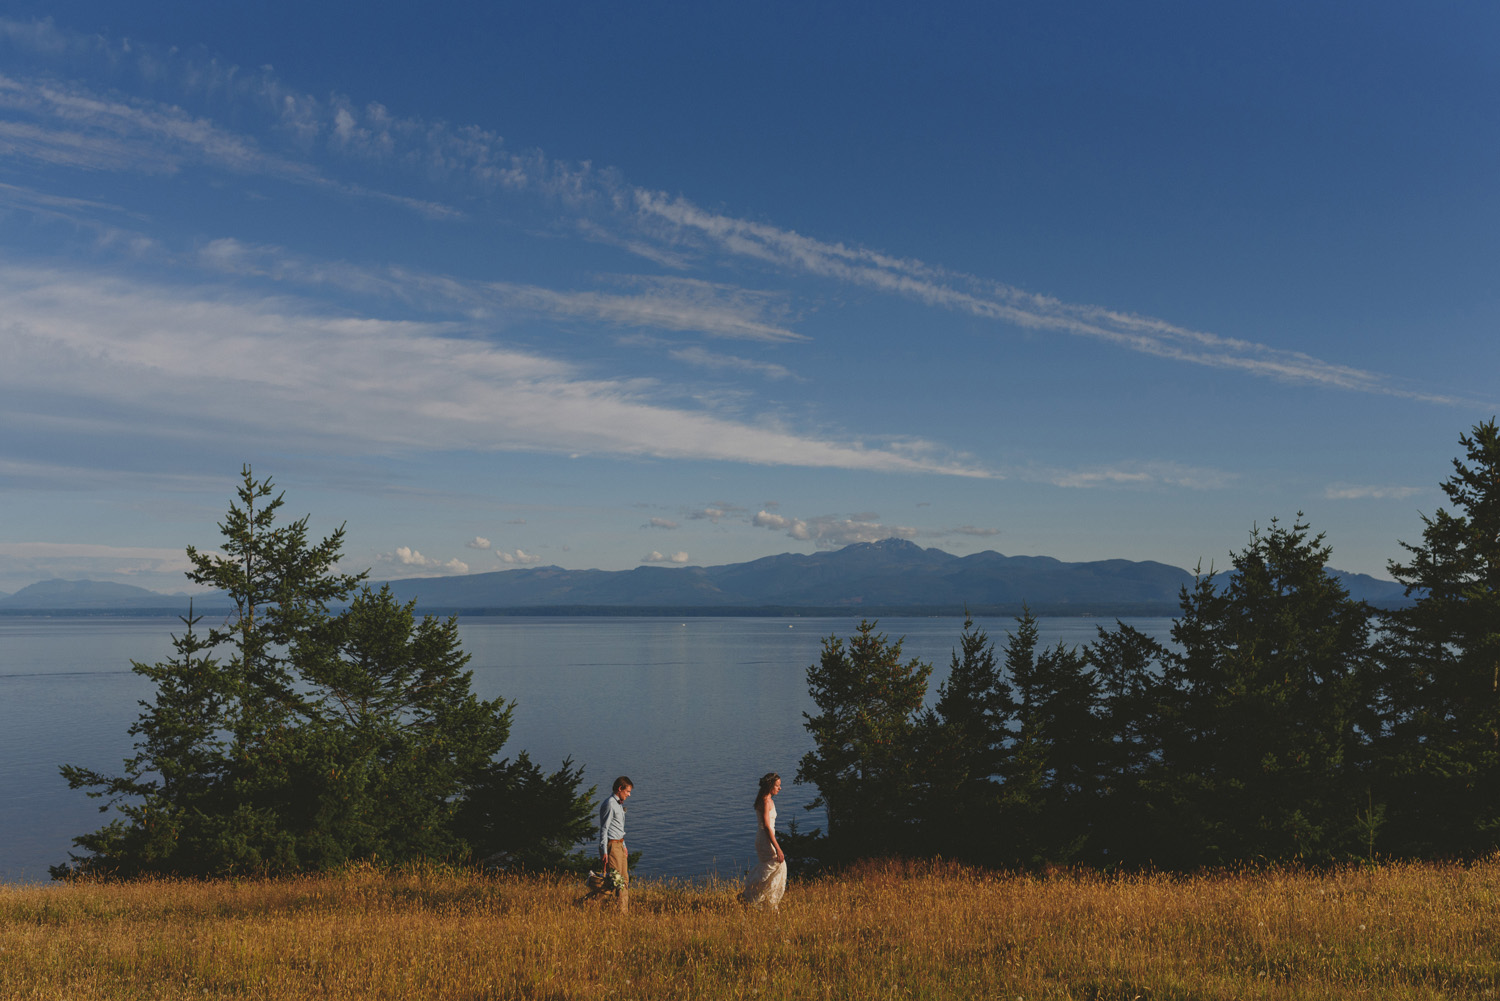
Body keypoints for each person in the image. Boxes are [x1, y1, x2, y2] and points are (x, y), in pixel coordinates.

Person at [583, 775, 632, 912]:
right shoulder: (609, 804)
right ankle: (586, 904)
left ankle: (623, 913)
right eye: (627, 791)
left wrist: (624, 846)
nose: (629, 794)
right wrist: (604, 851)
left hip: (620, 846)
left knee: (624, 881)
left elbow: (619, 829)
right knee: (618, 882)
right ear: (620, 788)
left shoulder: (618, 804)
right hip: (612, 847)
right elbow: (604, 828)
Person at [738, 772, 786, 910]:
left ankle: (762, 901)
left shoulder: (765, 799)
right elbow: (766, 826)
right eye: (777, 785)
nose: (780, 788)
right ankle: (751, 897)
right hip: (766, 839)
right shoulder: (766, 801)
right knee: (777, 866)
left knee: (771, 869)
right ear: (770, 786)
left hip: (763, 838)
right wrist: (778, 848)